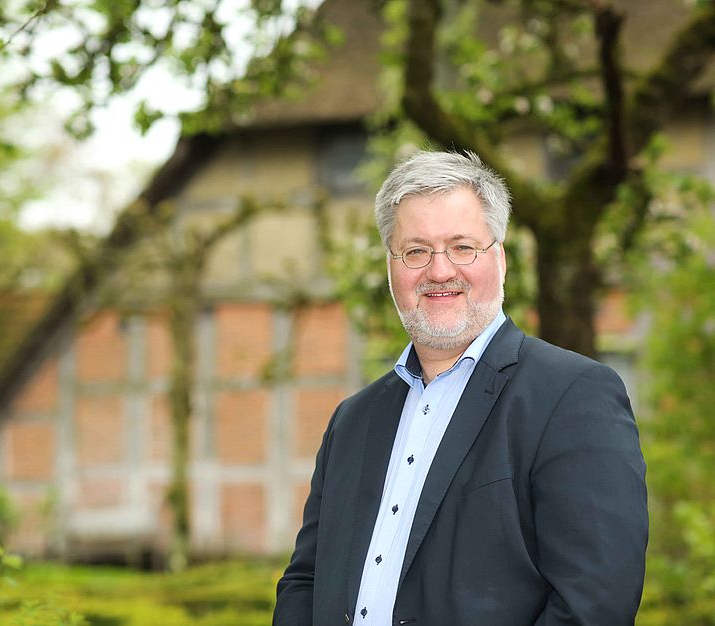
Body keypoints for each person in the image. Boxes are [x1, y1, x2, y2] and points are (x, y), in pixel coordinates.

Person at [273, 150, 648, 626]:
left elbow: (595, 603)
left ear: (500, 259)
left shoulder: (572, 396)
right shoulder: (352, 420)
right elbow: (305, 581)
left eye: (462, 247)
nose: (439, 271)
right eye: (416, 251)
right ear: (391, 267)